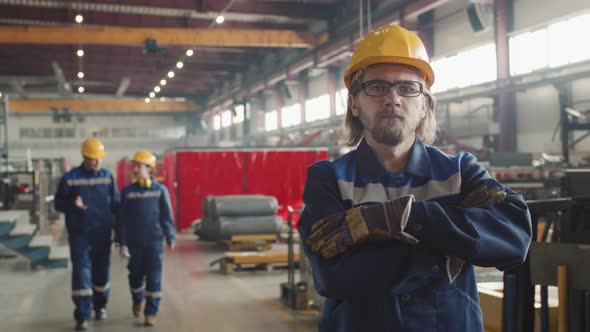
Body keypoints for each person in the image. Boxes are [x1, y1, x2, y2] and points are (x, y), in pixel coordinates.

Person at [298, 24, 532, 332]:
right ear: (354, 103)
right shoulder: (329, 178)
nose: (393, 99)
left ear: (424, 104)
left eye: (407, 88)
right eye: (377, 87)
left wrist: (404, 218)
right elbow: (336, 277)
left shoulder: (461, 172)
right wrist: (446, 253)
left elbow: (513, 237)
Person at [55, 138, 120, 331]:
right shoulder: (70, 178)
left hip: (103, 233)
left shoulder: (108, 176)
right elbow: (58, 204)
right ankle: (82, 315)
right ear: (84, 157)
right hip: (80, 234)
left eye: (99, 158)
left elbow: (116, 204)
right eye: (93, 159)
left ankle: (100, 306)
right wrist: (71, 205)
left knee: (101, 273)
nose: (97, 162)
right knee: (82, 273)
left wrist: (120, 231)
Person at [116, 150, 175, 327]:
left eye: (138, 166)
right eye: (134, 166)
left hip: (154, 242)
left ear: (150, 169)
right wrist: (122, 243)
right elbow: (122, 220)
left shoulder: (159, 190)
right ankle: (137, 299)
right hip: (134, 243)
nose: (135, 169)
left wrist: (169, 235)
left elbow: (166, 215)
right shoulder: (127, 192)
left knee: (154, 278)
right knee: (135, 276)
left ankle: (151, 312)